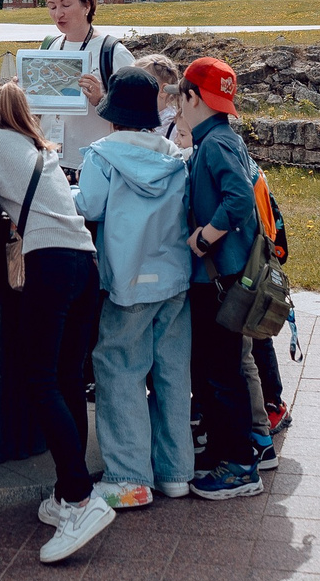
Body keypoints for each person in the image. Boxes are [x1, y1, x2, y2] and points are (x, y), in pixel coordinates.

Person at [0, 82, 110, 563]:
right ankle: (69, 491)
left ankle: (83, 498)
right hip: (85, 263)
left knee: (40, 379)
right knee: (67, 377)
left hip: (49, 264)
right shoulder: (39, 149)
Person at [75, 67, 194, 508]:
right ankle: (175, 472)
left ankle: (129, 476)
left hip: (127, 280)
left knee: (120, 371)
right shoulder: (175, 156)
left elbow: (88, 204)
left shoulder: (102, 156)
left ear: (112, 116)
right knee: (172, 373)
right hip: (174, 278)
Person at [180, 55, 265, 501]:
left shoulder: (213, 144)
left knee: (220, 372)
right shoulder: (222, 137)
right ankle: (220, 452)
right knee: (214, 369)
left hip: (219, 277)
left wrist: (203, 238)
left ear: (191, 96)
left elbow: (237, 201)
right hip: (223, 276)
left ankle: (239, 465)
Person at [37, 0, 134, 161]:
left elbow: (137, 114)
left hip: (94, 166)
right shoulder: (48, 47)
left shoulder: (112, 52)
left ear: (86, 6)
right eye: (52, 6)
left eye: (66, 4)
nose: (58, 14)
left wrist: (100, 100)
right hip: (50, 163)